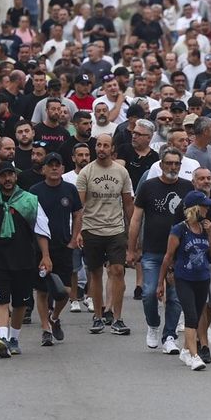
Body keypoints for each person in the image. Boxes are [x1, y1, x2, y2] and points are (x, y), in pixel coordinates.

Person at [0, 162, 52, 357]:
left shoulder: (30, 200)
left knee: (20, 303)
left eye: (10, 175)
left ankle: (13, 338)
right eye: (3, 176)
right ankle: (2, 339)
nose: (7, 179)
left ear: (15, 176)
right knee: (1, 300)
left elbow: (41, 229)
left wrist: (46, 256)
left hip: (24, 258)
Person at [130, 148, 192, 354]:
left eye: (176, 164)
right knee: (148, 293)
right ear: (161, 165)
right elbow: (136, 219)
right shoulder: (148, 186)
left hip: (179, 253)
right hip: (152, 251)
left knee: (175, 297)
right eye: (169, 163)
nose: (173, 167)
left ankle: (170, 336)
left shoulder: (187, 187)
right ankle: (153, 324)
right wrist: (131, 248)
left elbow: (193, 218)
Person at [77, 133, 135, 334]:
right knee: (95, 273)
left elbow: (128, 204)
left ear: (112, 149)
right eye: (99, 145)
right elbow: (79, 206)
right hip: (92, 228)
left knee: (117, 270)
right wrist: (78, 231)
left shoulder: (121, 172)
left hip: (115, 229)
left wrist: (132, 233)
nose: (101, 149)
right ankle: (98, 316)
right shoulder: (86, 172)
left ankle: (117, 318)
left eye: (106, 145)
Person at [157, 190, 211, 371]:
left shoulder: (205, 228)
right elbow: (168, 256)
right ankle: (194, 356)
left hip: (203, 278)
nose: (208, 209)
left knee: (198, 315)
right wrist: (160, 282)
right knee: (191, 316)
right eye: (205, 206)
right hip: (184, 278)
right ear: (195, 209)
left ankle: (185, 350)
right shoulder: (179, 230)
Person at [28, 153, 83, 347]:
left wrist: (74, 238)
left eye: (57, 165)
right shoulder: (35, 191)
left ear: (62, 168)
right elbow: (31, 219)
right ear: (43, 169)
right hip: (40, 248)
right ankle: (45, 329)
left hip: (64, 245)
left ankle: (54, 316)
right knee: (42, 291)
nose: (54, 168)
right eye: (50, 165)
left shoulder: (70, 189)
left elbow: (78, 214)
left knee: (65, 291)